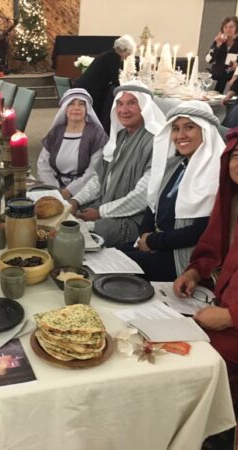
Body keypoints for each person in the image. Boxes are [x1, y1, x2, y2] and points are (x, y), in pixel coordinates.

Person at [121, 101, 223, 281]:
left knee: (117, 266)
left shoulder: (217, 173)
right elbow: (152, 204)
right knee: (108, 255)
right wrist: (145, 235)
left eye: (189, 127)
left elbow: (200, 231)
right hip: (157, 243)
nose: (180, 135)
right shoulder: (176, 165)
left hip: (182, 257)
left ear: (206, 131)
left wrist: (152, 241)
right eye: (175, 129)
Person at [173, 127, 238, 404]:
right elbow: (214, 251)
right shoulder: (230, 202)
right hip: (217, 303)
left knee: (180, 359)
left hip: (232, 324)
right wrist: (194, 271)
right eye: (236, 155)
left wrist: (230, 317)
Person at [69, 81, 166, 247]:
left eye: (132, 103)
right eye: (120, 104)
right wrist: (76, 200)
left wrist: (101, 213)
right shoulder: (120, 137)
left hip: (133, 219)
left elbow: (142, 196)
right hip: (105, 208)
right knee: (64, 220)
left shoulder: (156, 141)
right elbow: (99, 180)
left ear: (145, 107)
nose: (123, 110)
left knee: (75, 235)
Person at [37, 88, 108, 199]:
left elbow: (93, 171)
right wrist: (54, 190)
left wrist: (69, 191)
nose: (76, 108)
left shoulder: (96, 135)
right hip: (54, 190)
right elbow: (43, 165)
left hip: (84, 192)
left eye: (81, 104)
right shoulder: (56, 133)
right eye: (71, 104)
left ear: (87, 109)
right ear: (65, 108)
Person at [74, 35, 136, 131]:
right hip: (90, 92)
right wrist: (122, 91)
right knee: (107, 104)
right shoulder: (114, 56)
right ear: (123, 50)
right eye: (127, 54)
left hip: (84, 88)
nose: (126, 58)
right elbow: (114, 80)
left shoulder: (109, 53)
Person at [206, 16, 238, 94]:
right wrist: (217, 45)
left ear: (236, 28)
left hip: (231, 81)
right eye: (225, 27)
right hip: (216, 78)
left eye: (231, 27)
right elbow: (208, 59)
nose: (228, 29)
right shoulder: (219, 40)